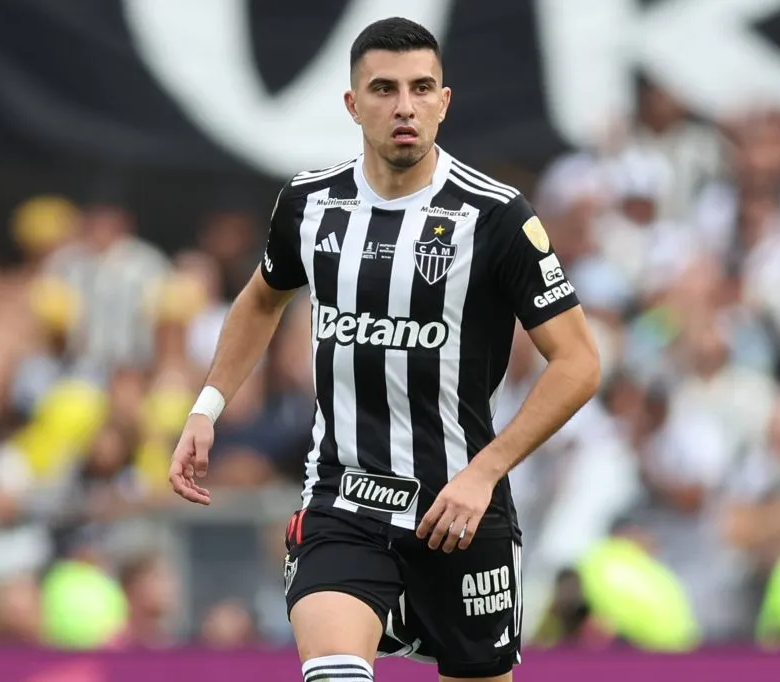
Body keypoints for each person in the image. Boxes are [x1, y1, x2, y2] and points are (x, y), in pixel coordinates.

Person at [169, 17, 600, 682]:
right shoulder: (310, 204)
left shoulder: (497, 217)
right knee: (335, 674)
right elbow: (261, 298)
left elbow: (579, 362)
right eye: (385, 88)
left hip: (458, 509)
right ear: (352, 104)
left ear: (444, 101)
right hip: (344, 500)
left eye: (422, 87)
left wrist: (484, 474)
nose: (405, 106)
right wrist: (207, 406)